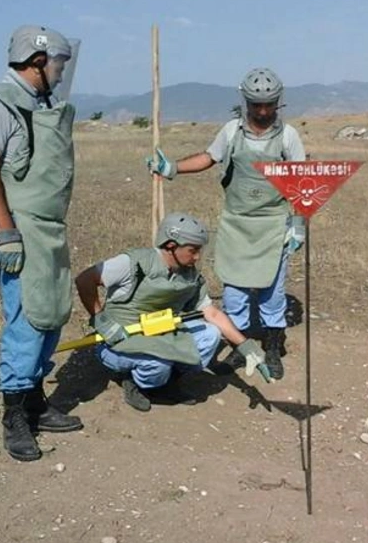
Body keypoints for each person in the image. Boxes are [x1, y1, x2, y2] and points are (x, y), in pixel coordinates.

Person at [148, 68, 307, 380]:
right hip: (237, 225)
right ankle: (240, 347)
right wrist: (173, 168)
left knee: (272, 294)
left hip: (274, 225)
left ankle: (273, 349)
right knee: (234, 294)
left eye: (269, 105)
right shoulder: (232, 131)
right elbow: (209, 157)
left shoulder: (288, 137)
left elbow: (302, 183)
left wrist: (297, 225)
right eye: (256, 105)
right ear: (246, 102)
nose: (263, 111)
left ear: (278, 103)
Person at [0, 24, 82, 462]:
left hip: (48, 230)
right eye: (57, 63)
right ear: (38, 61)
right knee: (26, 320)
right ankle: (14, 415)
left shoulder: (38, 102)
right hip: (18, 231)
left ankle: (35, 399)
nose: (60, 72)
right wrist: (5, 233)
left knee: (50, 315)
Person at [74, 213, 268, 412]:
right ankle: (135, 382)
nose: (197, 257)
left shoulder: (190, 275)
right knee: (158, 362)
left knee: (210, 334)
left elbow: (213, 314)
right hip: (118, 339)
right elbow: (84, 280)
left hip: (159, 332)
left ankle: (165, 382)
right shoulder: (135, 263)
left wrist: (245, 346)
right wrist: (101, 320)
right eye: (192, 250)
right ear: (170, 245)